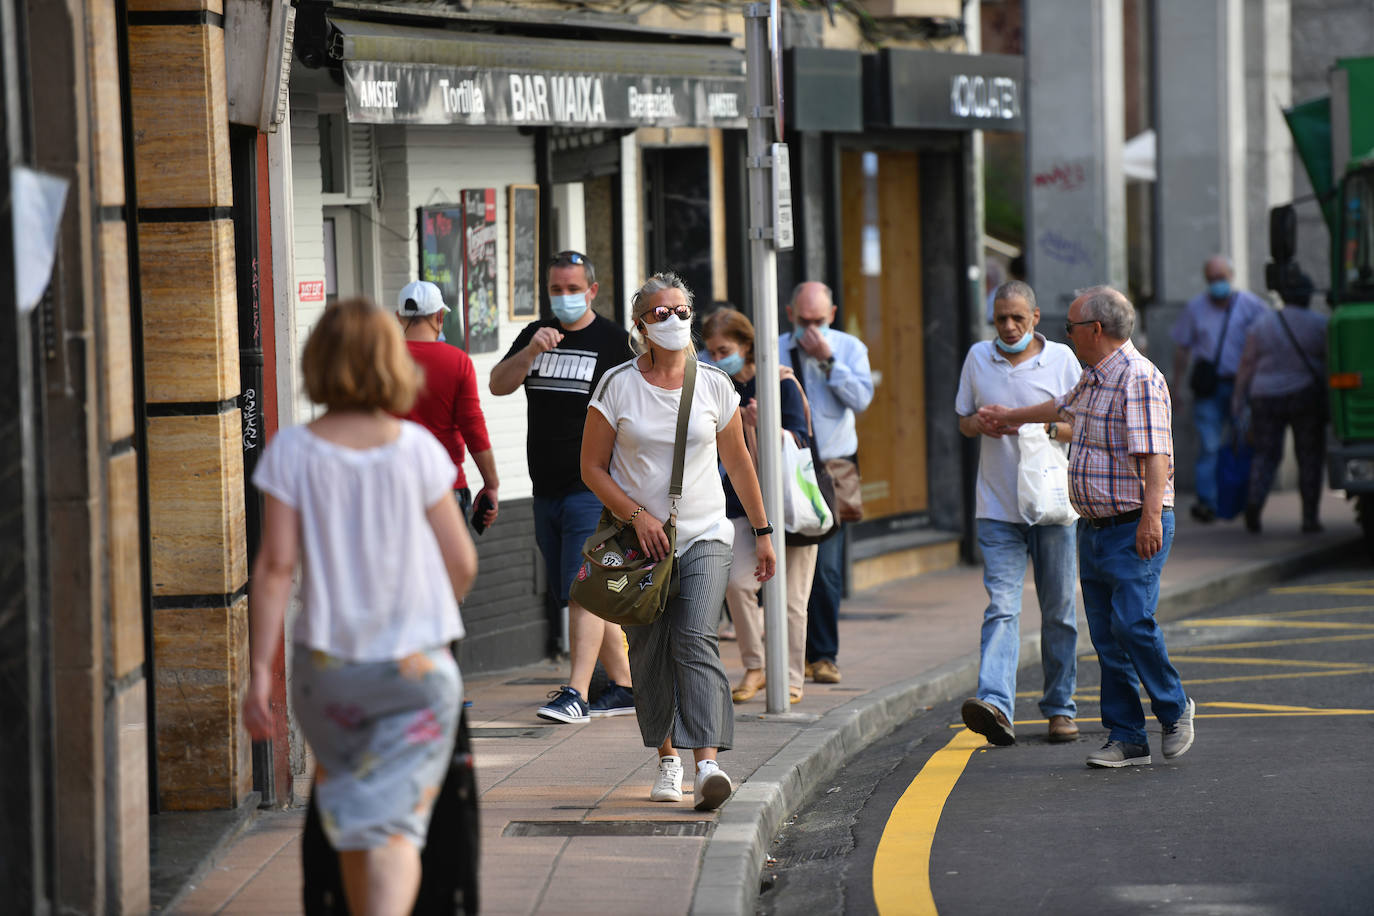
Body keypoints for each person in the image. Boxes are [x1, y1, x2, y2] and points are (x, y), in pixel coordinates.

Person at [243, 298, 478, 914]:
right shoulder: (419, 451)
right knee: (397, 827)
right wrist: (425, 614)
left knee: (350, 816)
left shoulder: (291, 452)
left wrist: (255, 674)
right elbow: (462, 562)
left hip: (331, 670)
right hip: (417, 669)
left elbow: (274, 569)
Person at [978, 286, 1195, 769]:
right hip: (1094, 527)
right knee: (1106, 634)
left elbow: (1156, 455)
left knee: (1132, 622)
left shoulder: (1137, 377)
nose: (1067, 335)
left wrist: (1150, 518)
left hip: (1132, 524)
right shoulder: (1095, 376)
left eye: (1071, 327)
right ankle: (1128, 738)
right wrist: (1010, 417)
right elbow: (1060, 408)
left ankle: (1174, 706)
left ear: (1095, 330)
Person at [581, 272, 776, 811]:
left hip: (706, 531)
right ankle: (668, 760)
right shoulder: (617, 385)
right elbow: (592, 467)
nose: (673, 320)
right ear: (640, 325)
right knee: (648, 650)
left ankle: (707, 763)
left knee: (695, 638)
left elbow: (738, 462)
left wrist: (762, 532)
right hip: (640, 539)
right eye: (659, 312)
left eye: (681, 310)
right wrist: (636, 515)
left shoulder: (714, 383)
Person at [489, 251, 637, 724]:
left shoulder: (613, 341)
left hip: (590, 487)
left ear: (592, 291)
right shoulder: (537, 334)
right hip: (544, 488)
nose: (565, 297)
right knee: (573, 591)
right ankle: (627, 686)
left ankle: (576, 693)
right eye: (557, 289)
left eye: (574, 289)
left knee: (581, 589)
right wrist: (532, 351)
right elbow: (497, 384)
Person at [955, 280, 1082, 746]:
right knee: (1002, 608)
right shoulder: (977, 358)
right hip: (997, 508)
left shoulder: (1063, 360)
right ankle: (996, 706)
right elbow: (964, 422)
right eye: (1000, 319)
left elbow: (1079, 426)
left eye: (1017, 318)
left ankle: (1060, 709)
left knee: (1060, 612)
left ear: (1035, 317)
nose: (1008, 327)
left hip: (1051, 507)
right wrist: (981, 423)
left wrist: (1034, 421)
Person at [702, 307, 817, 706]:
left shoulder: (780, 384)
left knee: (790, 600)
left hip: (789, 506)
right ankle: (755, 667)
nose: (717, 360)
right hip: (741, 505)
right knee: (736, 583)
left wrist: (762, 422)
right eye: (712, 353)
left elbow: (801, 440)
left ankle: (789, 678)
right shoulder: (718, 388)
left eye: (724, 350)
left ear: (746, 345)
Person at [779, 281, 874, 686]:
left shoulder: (849, 348)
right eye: (804, 321)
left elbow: (862, 399)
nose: (811, 329)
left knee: (827, 567)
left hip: (832, 466)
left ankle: (823, 655)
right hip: (784, 462)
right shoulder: (775, 347)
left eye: (819, 321)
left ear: (832, 315)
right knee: (784, 563)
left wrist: (829, 360)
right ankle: (788, 654)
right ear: (790, 315)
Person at [1170, 255, 1269, 523]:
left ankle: (1244, 500)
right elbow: (1182, 349)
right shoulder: (1196, 308)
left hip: (1242, 386)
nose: (1217, 284)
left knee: (1243, 442)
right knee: (1210, 445)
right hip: (1209, 388)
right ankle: (1208, 503)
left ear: (1231, 277)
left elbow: (1269, 333)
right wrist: (1176, 388)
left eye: (1221, 279)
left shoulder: (1249, 305)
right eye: (1212, 279)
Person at [395, 280, 499, 527]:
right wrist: (491, 484)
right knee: (449, 566)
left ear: (399, 317)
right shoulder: (457, 362)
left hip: (392, 488)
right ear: (439, 316)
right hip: (444, 487)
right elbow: (473, 429)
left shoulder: (379, 360)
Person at [1232, 273, 1329, 533]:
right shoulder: (1319, 324)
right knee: (1309, 457)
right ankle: (1310, 518)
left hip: (1265, 396)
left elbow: (1247, 364)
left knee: (1265, 454)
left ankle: (1254, 503)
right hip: (1305, 396)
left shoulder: (1262, 324)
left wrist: (1238, 399)